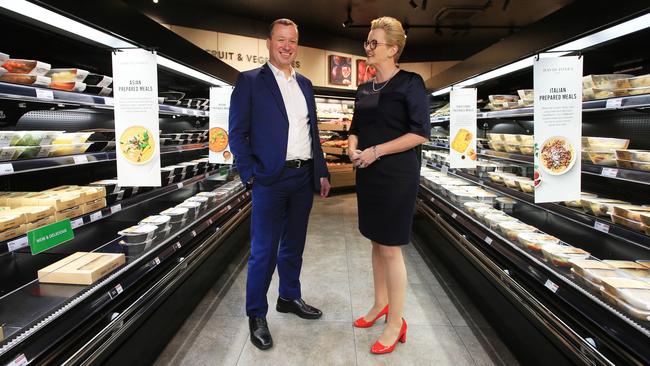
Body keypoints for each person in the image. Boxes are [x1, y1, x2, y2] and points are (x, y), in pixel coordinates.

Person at [228, 18, 331, 351]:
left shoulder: (305, 84)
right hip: (269, 179)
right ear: (269, 43)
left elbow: (312, 132)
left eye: (292, 41)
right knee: (263, 251)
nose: (287, 46)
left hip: (303, 177)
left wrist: (322, 171)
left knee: (294, 245)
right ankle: (257, 314)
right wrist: (250, 174)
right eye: (280, 40)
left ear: (296, 44)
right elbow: (237, 133)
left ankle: (289, 296)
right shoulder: (249, 82)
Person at [347, 16, 430, 355]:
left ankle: (396, 321)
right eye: (367, 42)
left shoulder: (411, 82)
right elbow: (355, 126)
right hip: (367, 173)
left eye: (374, 43)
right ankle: (380, 303)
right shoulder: (365, 87)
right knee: (375, 242)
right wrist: (352, 147)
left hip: (397, 174)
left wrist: (377, 151)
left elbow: (419, 132)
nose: (368, 48)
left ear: (393, 49)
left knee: (391, 247)